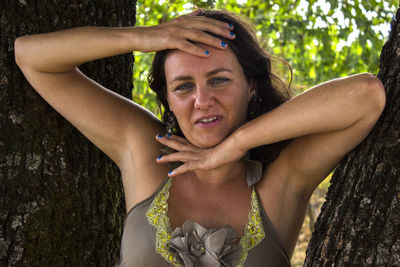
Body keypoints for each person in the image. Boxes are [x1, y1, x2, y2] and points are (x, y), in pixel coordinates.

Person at [14, 8, 385, 267]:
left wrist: (235, 145)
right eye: (183, 86)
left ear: (251, 86)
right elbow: (32, 56)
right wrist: (143, 37)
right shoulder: (147, 153)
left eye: (219, 80)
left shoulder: (281, 180)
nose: (202, 101)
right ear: (168, 101)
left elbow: (366, 95)